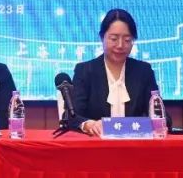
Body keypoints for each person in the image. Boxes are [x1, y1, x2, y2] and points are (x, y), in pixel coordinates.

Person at [71, 8, 169, 136]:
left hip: (135, 145)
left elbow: (162, 117)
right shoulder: (85, 71)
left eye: (127, 40)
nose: (120, 45)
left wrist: (151, 124)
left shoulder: (143, 71)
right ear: (102, 37)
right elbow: (72, 117)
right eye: (114, 39)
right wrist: (89, 124)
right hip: (96, 143)